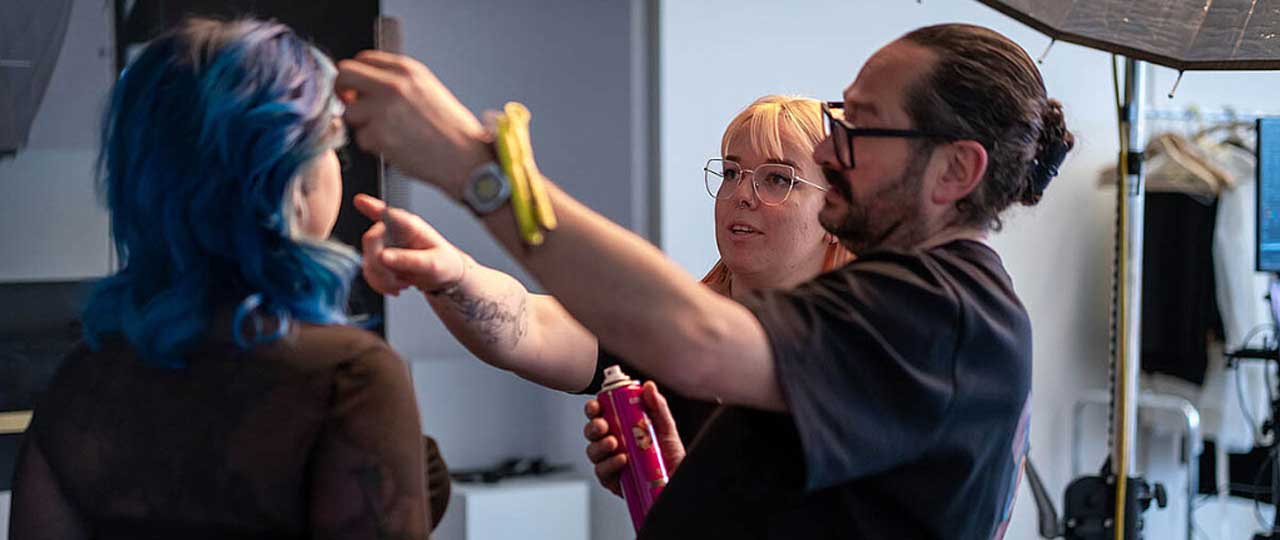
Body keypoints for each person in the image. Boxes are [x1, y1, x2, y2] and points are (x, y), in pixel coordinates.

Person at [336, 22, 1073, 539]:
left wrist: (480, 171)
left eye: (860, 128)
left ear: (955, 169)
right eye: (735, 173)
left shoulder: (937, 309)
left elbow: (695, 342)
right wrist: (693, 483)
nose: (833, 154)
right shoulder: (907, 305)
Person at [10, 18, 442, 539]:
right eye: (333, 145)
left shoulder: (81, 382)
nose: (338, 167)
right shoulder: (346, 378)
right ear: (289, 178)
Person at [354, 95, 851, 449]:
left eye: (778, 179)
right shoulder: (664, 328)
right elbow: (528, 325)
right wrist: (453, 274)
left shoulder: (858, 353)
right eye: (730, 172)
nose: (741, 194)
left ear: (837, 214)